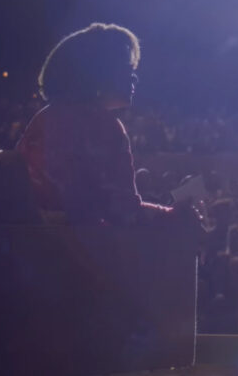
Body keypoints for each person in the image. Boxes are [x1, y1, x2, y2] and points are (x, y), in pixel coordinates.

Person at [17, 23, 181, 225]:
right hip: (79, 248)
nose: (134, 78)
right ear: (101, 72)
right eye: (127, 69)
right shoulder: (103, 127)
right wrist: (175, 215)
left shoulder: (45, 117)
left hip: (36, 243)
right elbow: (125, 211)